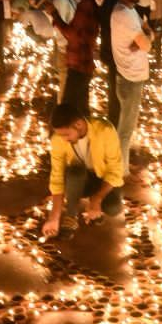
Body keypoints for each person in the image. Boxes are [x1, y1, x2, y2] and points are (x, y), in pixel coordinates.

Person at [40, 103, 124, 240]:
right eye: (60, 135)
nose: (64, 139)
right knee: (74, 172)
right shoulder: (58, 140)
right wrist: (54, 217)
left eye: (66, 134)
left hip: (103, 177)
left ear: (78, 124)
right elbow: (57, 176)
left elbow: (116, 170)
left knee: (113, 208)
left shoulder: (105, 130)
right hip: (79, 180)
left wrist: (97, 198)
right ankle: (71, 215)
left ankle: (94, 206)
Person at [108, 0, 151, 174]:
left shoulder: (129, 11)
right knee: (125, 129)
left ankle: (121, 165)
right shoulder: (124, 14)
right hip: (130, 78)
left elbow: (142, 42)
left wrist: (142, 39)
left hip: (130, 75)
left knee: (126, 125)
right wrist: (147, 36)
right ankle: (120, 172)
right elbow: (147, 44)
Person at [52, 0, 99, 115]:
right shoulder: (89, 4)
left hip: (79, 65)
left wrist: (54, 14)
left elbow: (71, 34)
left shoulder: (85, 6)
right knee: (81, 107)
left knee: (69, 108)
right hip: (83, 64)